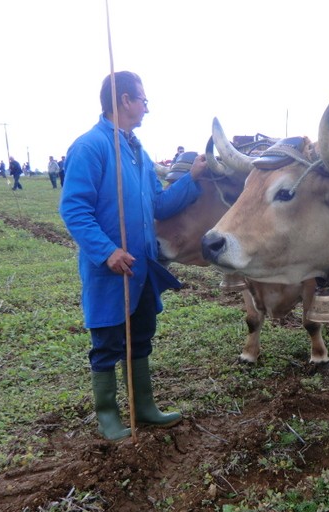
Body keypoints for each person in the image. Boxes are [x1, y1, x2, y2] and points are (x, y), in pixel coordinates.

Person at [60, 70, 206, 442]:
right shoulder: (91, 147)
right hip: (111, 269)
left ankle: (144, 407)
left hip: (142, 267)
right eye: (143, 100)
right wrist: (107, 252)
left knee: (140, 336)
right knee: (108, 341)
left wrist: (193, 180)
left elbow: (159, 203)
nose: (146, 108)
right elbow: (74, 209)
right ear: (124, 100)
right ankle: (108, 416)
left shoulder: (137, 150)